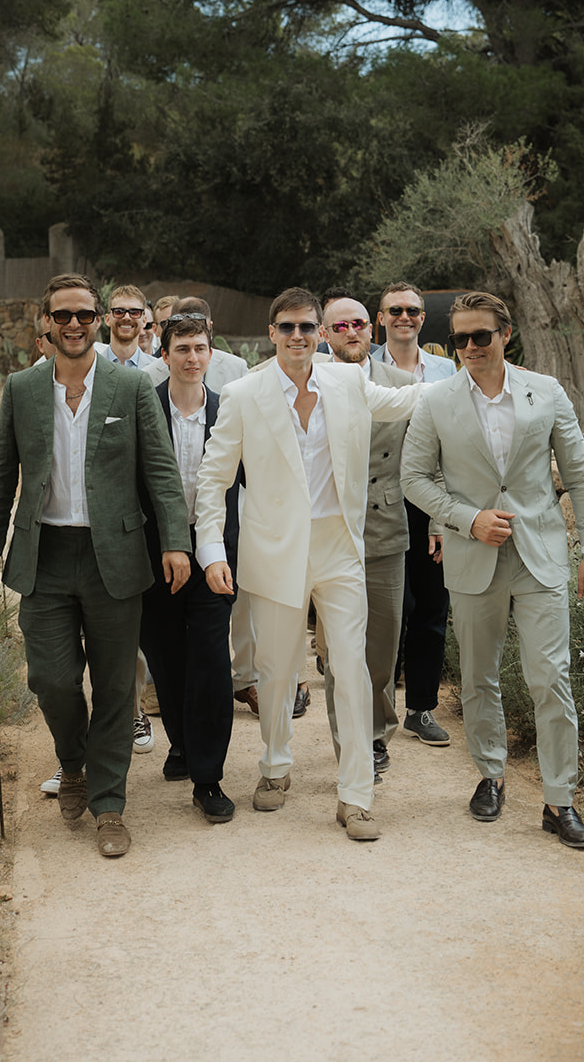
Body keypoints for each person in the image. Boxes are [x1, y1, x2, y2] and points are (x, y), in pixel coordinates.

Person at [0, 273, 190, 858]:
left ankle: (110, 805)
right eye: (62, 315)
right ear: (45, 321)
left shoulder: (129, 387)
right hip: (43, 555)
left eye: (84, 315)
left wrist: (175, 541)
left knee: (117, 686)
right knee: (50, 678)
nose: (74, 325)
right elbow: (1, 474)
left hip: (114, 557)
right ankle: (73, 763)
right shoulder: (21, 389)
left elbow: (162, 472)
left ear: (98, 320)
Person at [194, 287, 419, 840]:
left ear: (320, 332)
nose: (298, 336)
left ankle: (356, 795)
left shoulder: (347, 382)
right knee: (275, 675)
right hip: (273, 551)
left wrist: (472, 376)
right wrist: (212, 551)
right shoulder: (242, 394)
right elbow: (213, 478)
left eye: (307, 327)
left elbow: (408, 401)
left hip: (340, 547)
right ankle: (275, 764)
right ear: (271, 334)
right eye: (287, 327)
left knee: (351, 666)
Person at [400, 290, 584, 849]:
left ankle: (560, 800)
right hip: (473, 558)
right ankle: (490, 776)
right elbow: (413, 478)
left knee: (551, 678)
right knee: (478, 677)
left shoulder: (548, 391)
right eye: (459, 338)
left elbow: (580, 476)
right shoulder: (436, 401)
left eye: (479, 336)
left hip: (541, 557)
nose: (468, 347)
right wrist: (467, 519)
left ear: (504, 335)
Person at [139, 314, 241, 823]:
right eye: (182, 348)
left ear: (210, 352)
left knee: (209, 661)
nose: (192, 358)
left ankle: (208, 776)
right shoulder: (144, 409)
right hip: (155, 554)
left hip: (214, 555)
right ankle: (181, 740)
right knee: (165, 657)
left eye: (200, 348)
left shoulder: (228, 413)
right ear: (164, 354)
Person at [319, 291, 413, 777]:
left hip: (385, 526)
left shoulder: (401, 384)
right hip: (332, 530)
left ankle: (378, 727)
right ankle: (355, 745)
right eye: (340, 326)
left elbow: (429, 459)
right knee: (342, 651)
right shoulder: (306, 382)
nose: (351, 332)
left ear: (370, 330)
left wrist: (438, 522)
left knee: (382, 646)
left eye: (358, 324)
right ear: (324, 334)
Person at [372, 280, 455, 750]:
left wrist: (444, 518)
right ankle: (378, 713)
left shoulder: (446, 371)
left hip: (431, 501)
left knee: (430, 609)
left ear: (423, 318)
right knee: (388, 613)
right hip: (380, 498)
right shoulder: (364, 368)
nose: (404, 317)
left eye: (413, 311)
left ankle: (420, 708)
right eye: (395, 310)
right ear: (380, 317)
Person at [146, 296, 248, 394]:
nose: (192, 358)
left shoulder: (237, 369)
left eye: (201, 327)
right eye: (182, 349)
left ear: (210, 327)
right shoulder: (149, 375)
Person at [96, 283, 158, 369]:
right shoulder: (91, 366)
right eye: (119, 312)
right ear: (107, 319)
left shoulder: (157, 369)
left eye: (134, 312)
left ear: (144, 321)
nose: (127, 317)